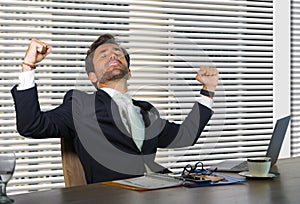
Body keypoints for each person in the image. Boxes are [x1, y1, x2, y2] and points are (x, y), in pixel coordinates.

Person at [11, 34, 219, 184]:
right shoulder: (80, 104)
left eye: (117, 53)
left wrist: (207, 90)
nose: (112, 56)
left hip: (159, 192)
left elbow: (185, 136)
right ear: (92, 77)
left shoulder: (146, 111)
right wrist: (28, 67)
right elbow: (31, 125)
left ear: (129, 71)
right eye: (103, 55)